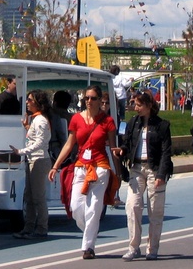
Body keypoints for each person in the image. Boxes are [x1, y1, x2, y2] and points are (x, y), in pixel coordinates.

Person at [48, 85, 119, 261]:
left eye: (93, 98)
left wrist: (118, 173)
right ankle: (90, 231)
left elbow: (113, 147)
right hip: (81, 167)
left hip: (101, 168)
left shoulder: (107, 121)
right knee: (76, 207)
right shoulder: (76, 120)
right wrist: (55, 166)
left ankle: (88, 247)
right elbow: (69, 144)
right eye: (86, 98)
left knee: (94, 209)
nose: (89, 101)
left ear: (100, 100)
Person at [115, 91, 173, 261]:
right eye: (135, 104)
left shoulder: (162, 125)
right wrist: (122, 150)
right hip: (137, 168)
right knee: (132, 206)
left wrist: (161, 174)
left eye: (139, 105)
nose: (136, 108)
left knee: (155, 210)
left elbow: (166, 152)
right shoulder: (133, 123)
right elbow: (127, 143)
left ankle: (152, 248)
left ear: (149, 106)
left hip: (155, 169)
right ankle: (133, 247)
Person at [11, 90, 52, 239]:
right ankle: (28, 227)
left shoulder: (41, 120)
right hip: (33, 159)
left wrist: (21, 151)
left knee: (38, 197)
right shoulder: (36, 120)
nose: (27, 102)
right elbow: (36, 138)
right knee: (29, 196)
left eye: (30, 100)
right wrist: (27, 128)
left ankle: (42, 228)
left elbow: (40, 143)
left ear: (38, 103)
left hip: (39, 160)